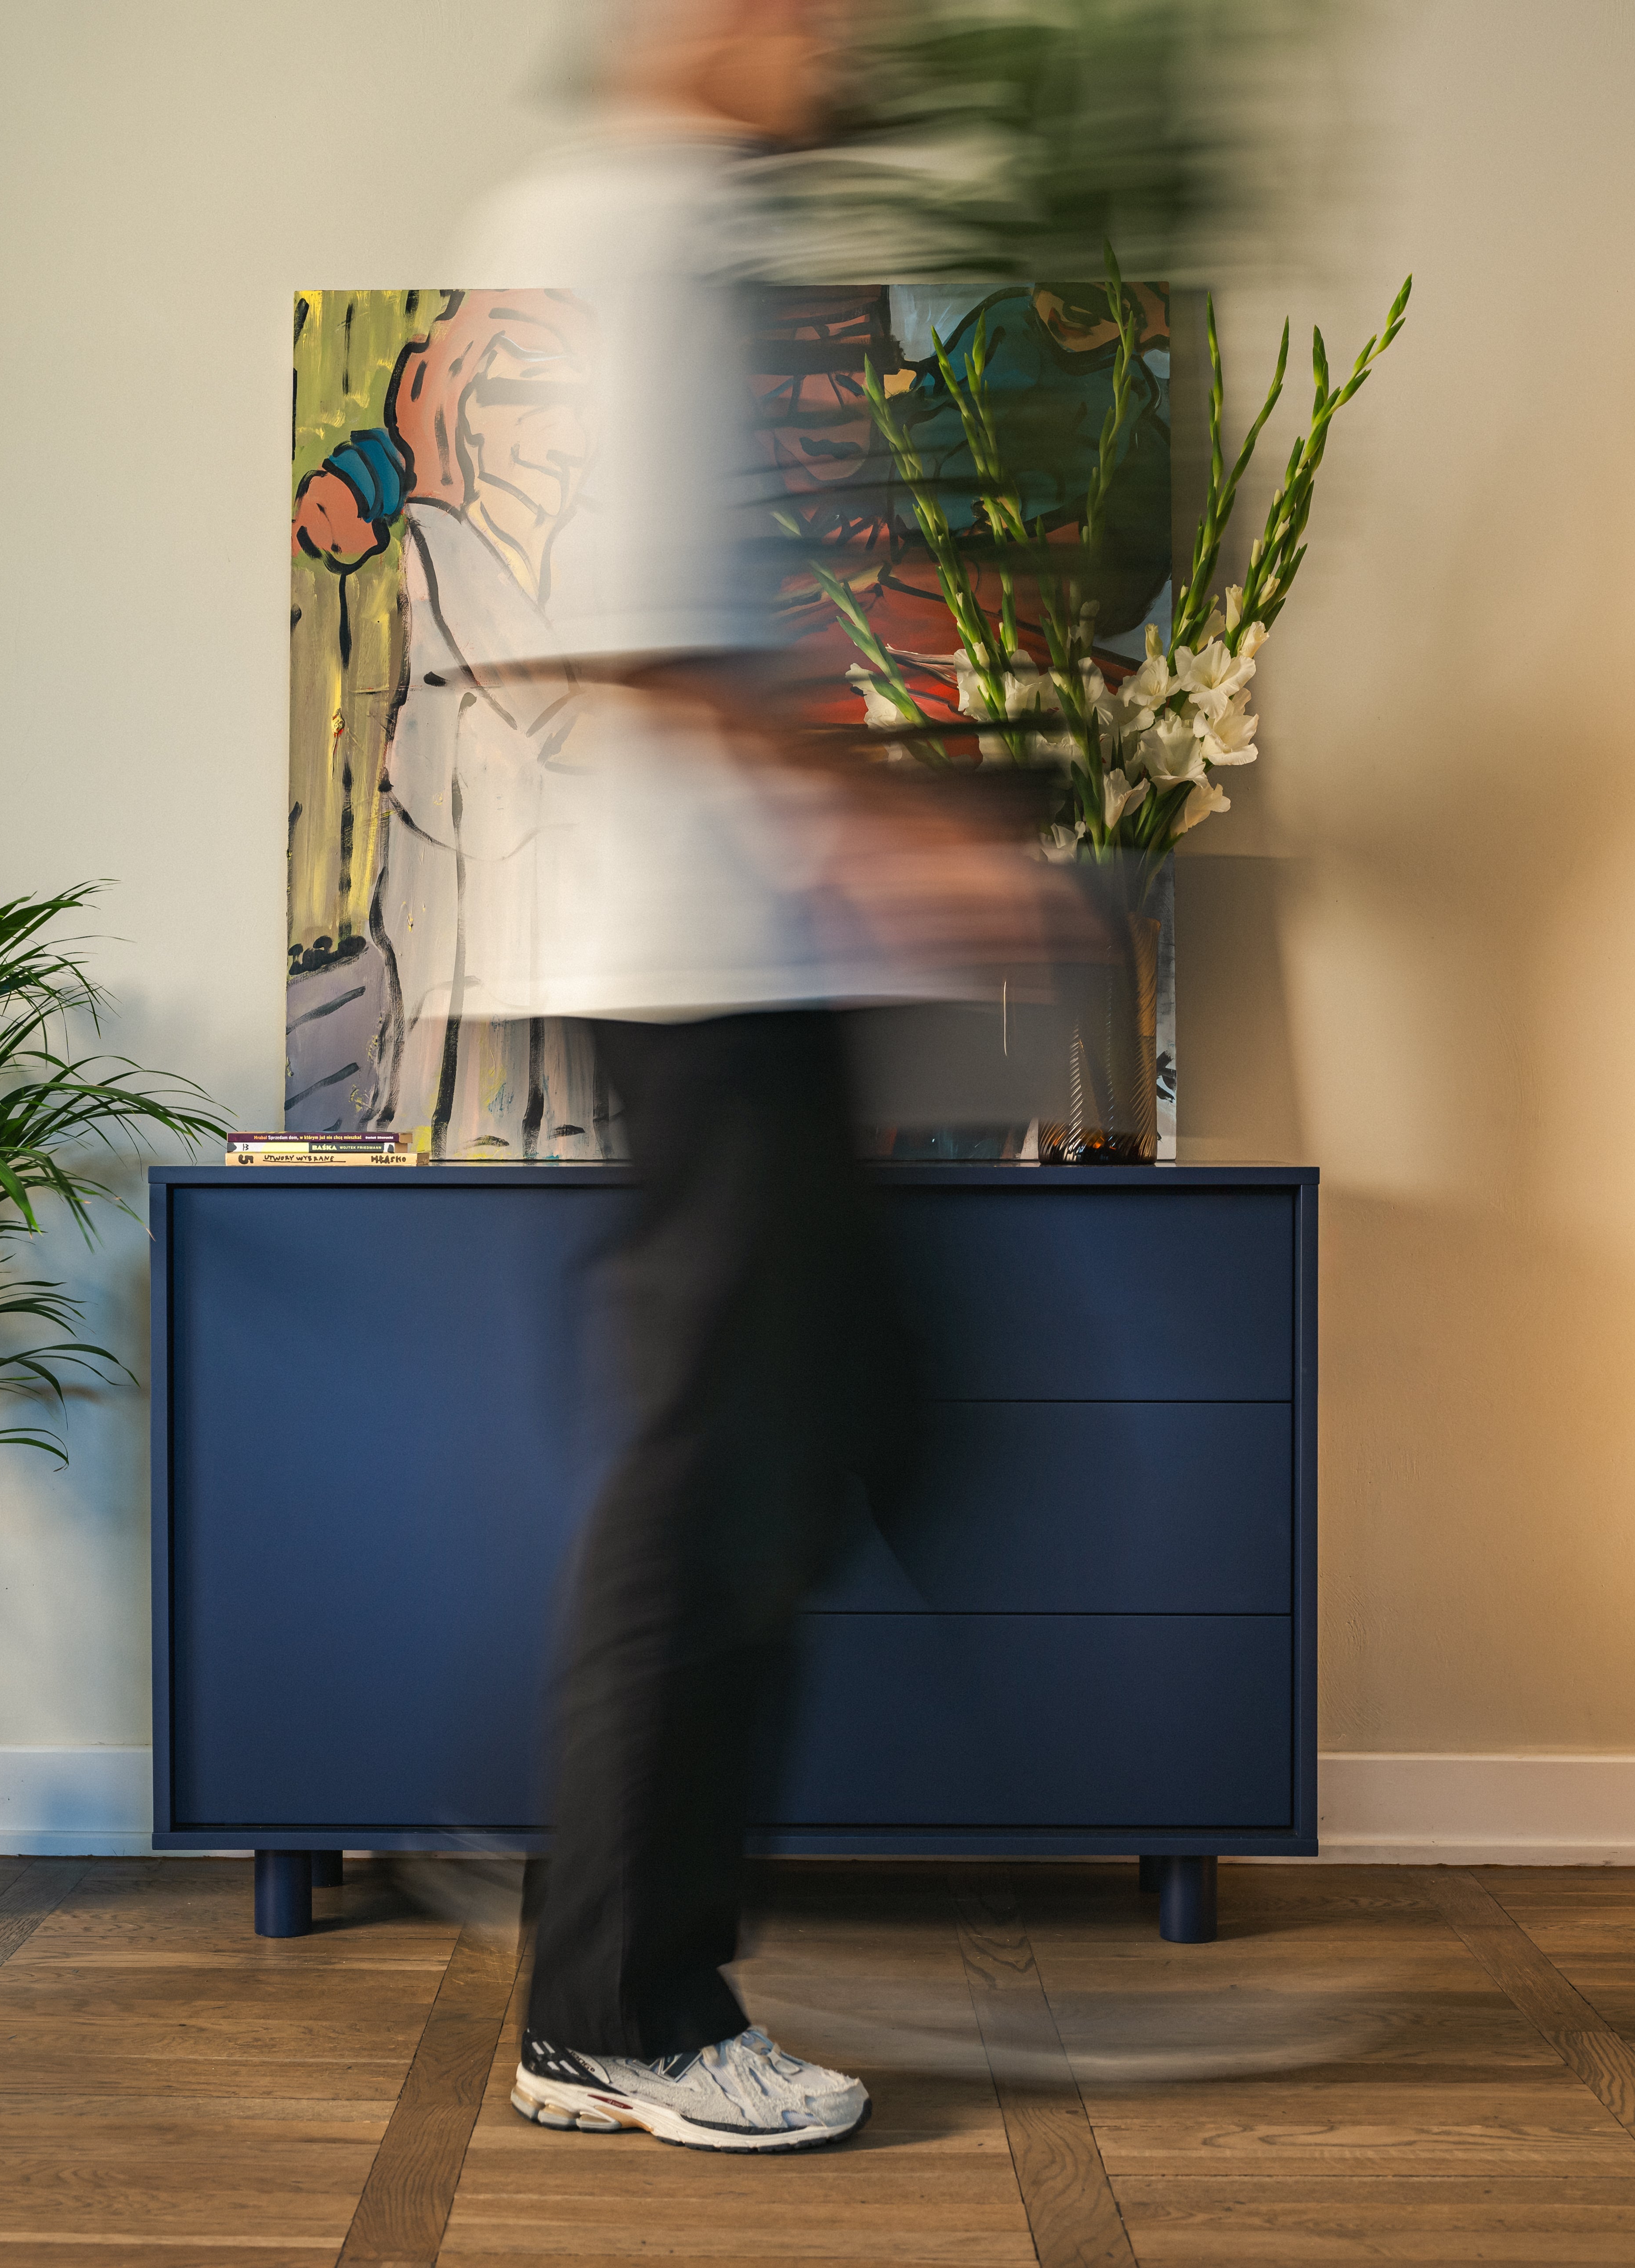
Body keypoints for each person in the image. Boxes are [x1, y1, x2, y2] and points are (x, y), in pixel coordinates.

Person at [435, 0, 1095, 2153]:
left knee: (837, 1429)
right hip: (693, 958)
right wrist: (909, 832)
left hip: (747, 960)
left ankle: (611, 1969)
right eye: (819, 4)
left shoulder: (703, 231)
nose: (851, 39)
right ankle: (622, 2004)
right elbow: (635, 631)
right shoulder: (631, 228)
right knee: (722, 1481)